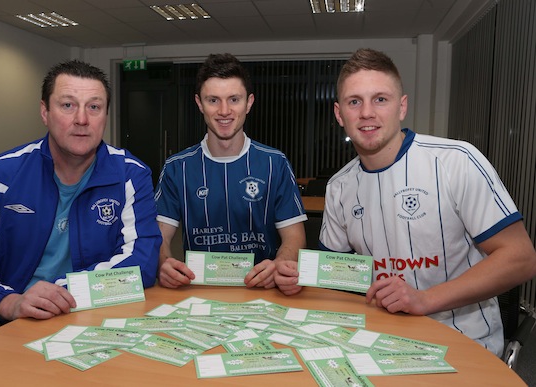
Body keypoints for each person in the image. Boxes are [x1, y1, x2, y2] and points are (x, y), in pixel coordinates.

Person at [275, 48, 536, 356]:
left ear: (402, 107)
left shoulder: (456, 161)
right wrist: (301, 278)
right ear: (339, 114)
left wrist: (424, 300)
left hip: (462, 343)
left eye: (380, 99)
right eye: (354, 101)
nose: (367, 112)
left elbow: (521, 258)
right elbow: (336, 275)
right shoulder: (339, 187)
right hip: (377, 340)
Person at [0, 60, 162, 343]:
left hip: (94, 321)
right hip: (5, 326)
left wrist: (63, 292)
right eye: (68, 105)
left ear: (105, 115)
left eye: (94, 107)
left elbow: (142, 262)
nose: (82, 119)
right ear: (45, 112)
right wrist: (13, 303)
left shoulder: (130, 175)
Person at [155, 53, 307, 289]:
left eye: (234, 99)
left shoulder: (274, 163)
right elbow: (160, 236)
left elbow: (295, 236)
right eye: (213, 100)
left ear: (249, 102)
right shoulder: (177, 167)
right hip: (198, 290)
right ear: (199, 104)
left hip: (261, 288)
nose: (224, 110)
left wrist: (280, 263)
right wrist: (163, 263)